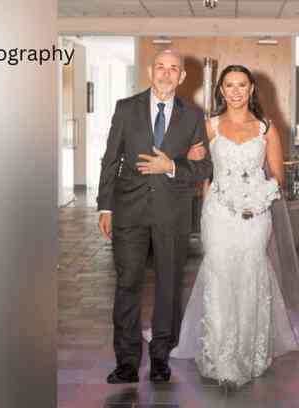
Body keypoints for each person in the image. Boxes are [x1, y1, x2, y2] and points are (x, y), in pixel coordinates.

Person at [170, 65, 299, 388]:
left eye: (241, 85)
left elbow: (277, 178)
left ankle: (250, 354)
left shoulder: (266, 128)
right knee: (221, 277)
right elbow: (194, 168)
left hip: (256, 214)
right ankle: (222, 359)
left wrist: (258, 194)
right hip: (218, 213)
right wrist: (194, 161)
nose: (235, 91)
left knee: (251, 276)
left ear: (251, 89)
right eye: (229, 85)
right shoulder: (208, 126)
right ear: (221, 91)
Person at [96, 49, 213, 384]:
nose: (166, 73)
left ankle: (161, 356)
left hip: (171, 214)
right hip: (128, 212)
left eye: (173, 69)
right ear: (150, 71)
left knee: (168, 286)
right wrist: (106, 206)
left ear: (182, 77)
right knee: (128, 284)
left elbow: (204, 167)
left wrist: (173, 166)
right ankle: (127, 362)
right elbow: (110, 160)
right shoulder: (126, 108)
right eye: (160, 67)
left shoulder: (192, 116)